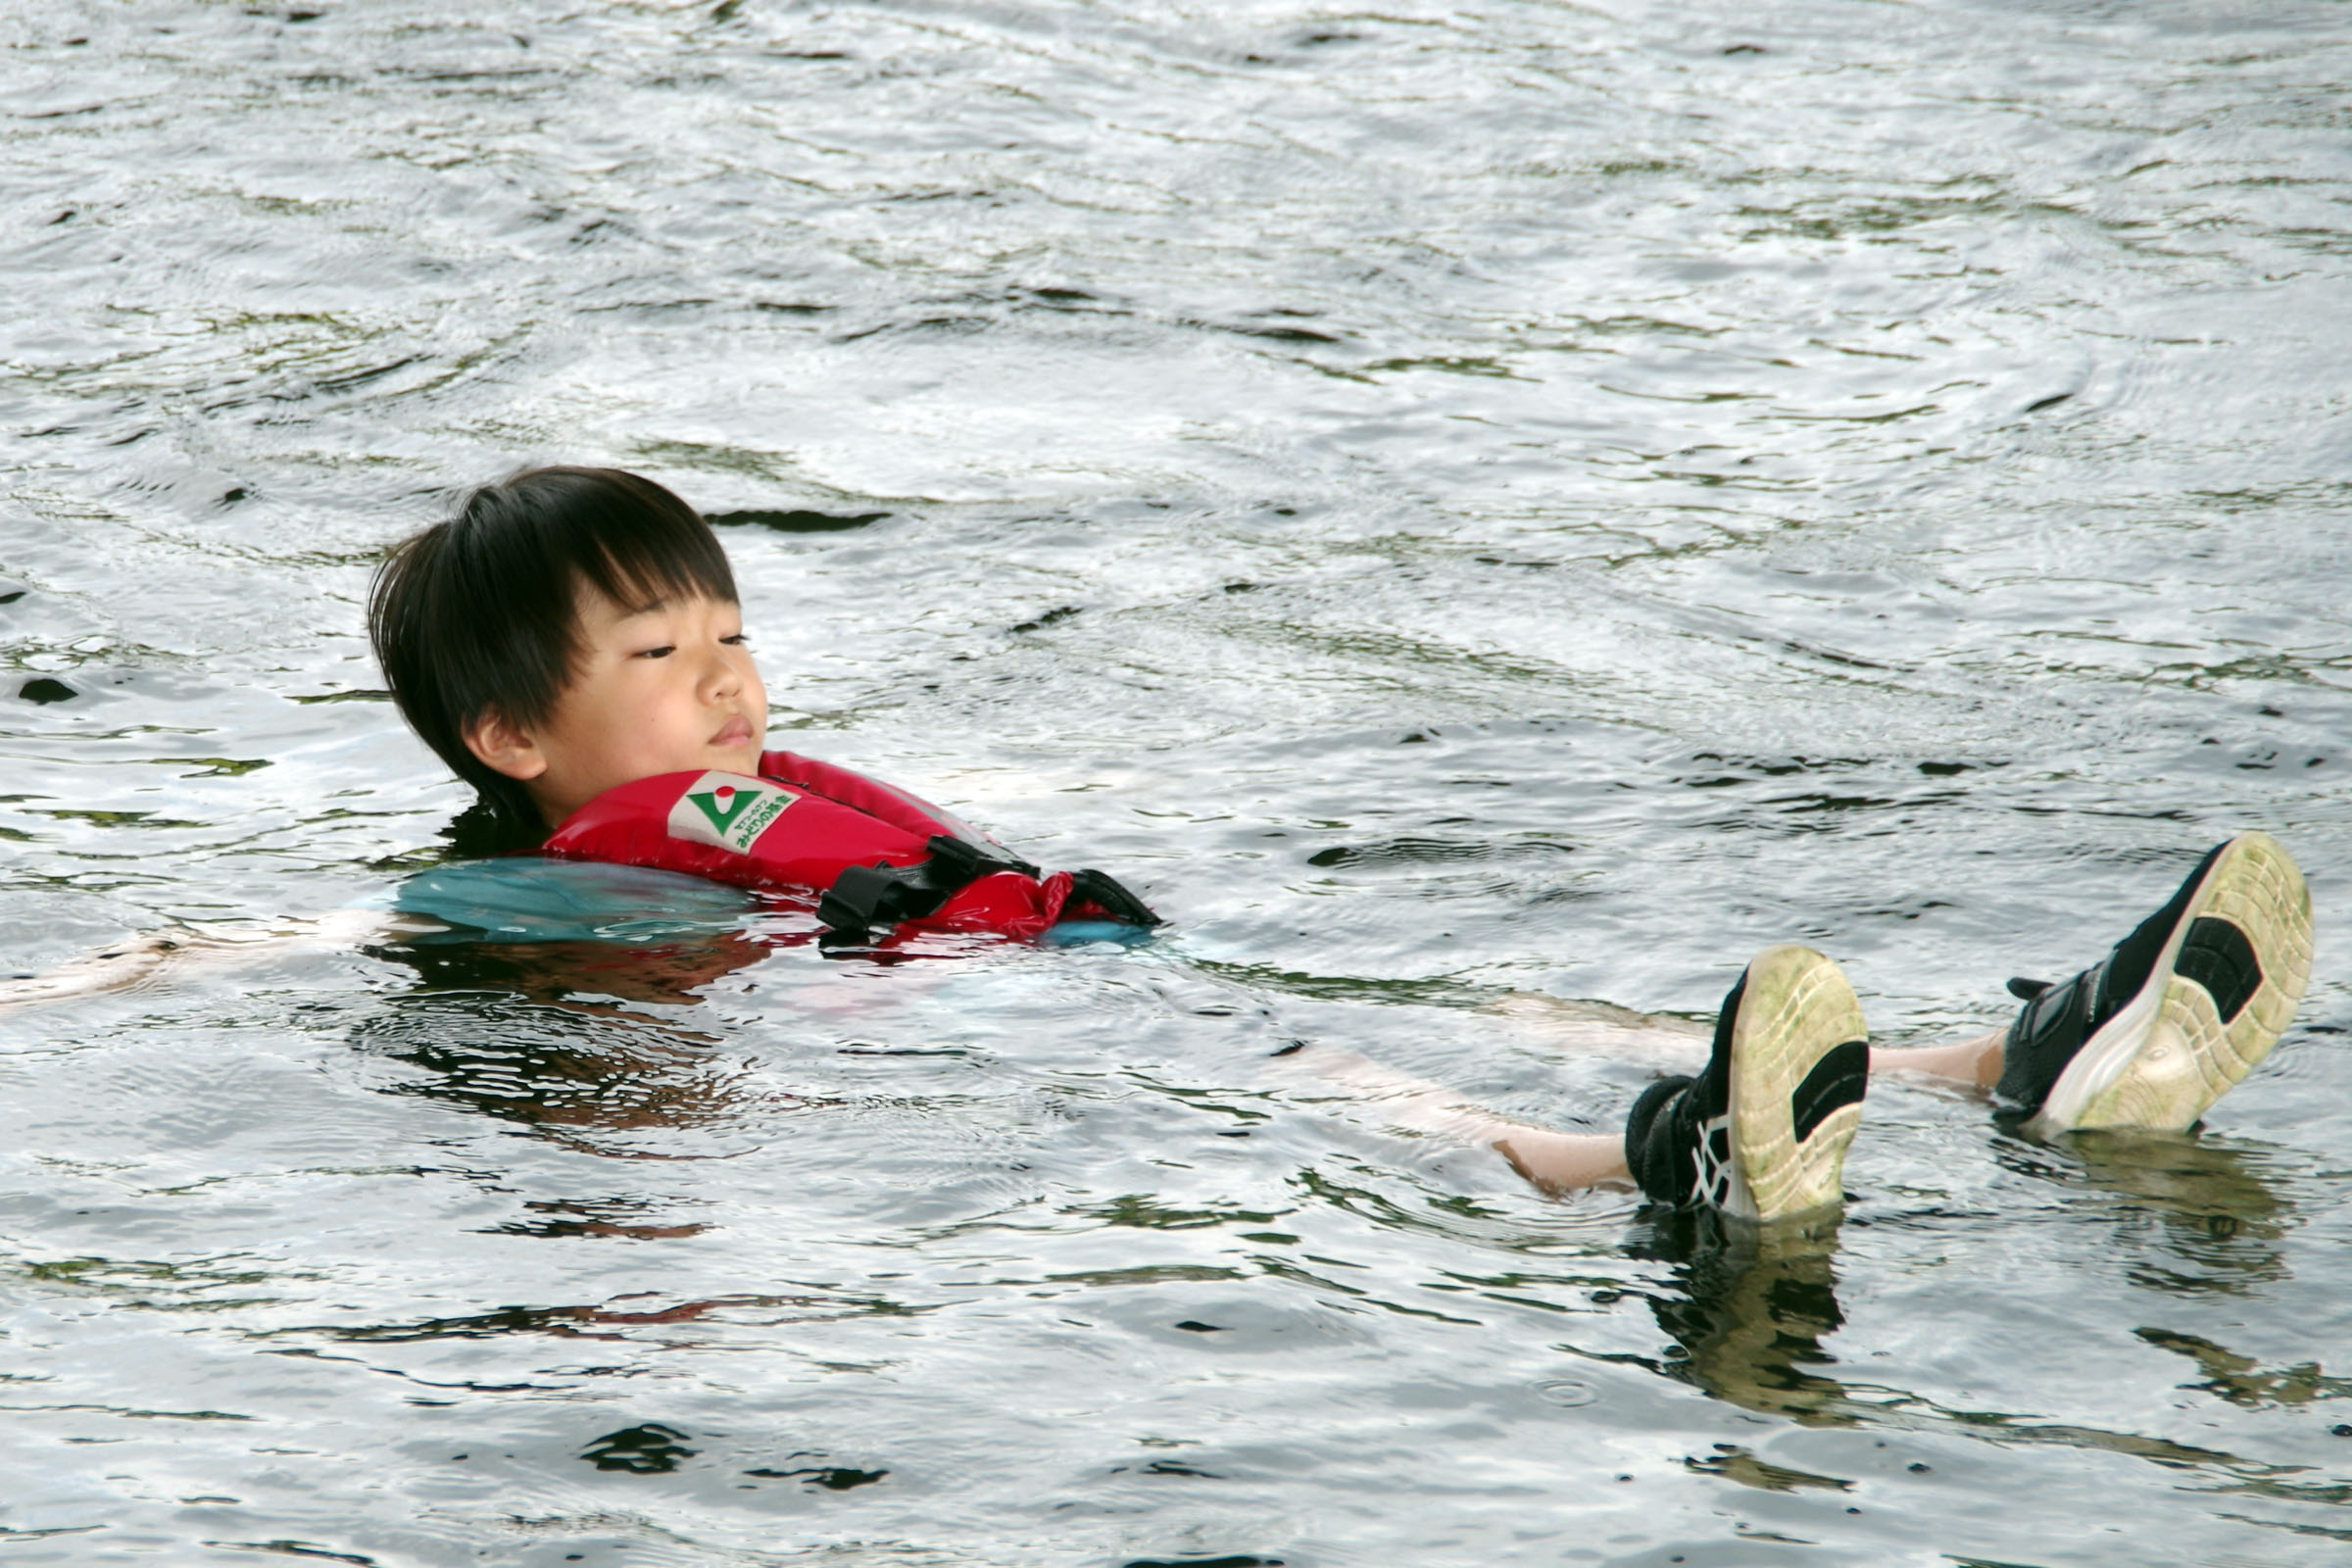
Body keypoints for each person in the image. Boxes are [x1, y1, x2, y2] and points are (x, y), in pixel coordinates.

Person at [2, 467, 2318, 1227]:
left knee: (1428, 1000)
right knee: (1338, 1081)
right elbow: (272, 936)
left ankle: (1990, 1062)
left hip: (1047, 962)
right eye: (656, 656)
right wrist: (85, 977)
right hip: (977, 1047)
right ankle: (1633, 1166)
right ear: (516, 732)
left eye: (735, 633)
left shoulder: (727, 807)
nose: (724, 687)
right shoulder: (505, 885)